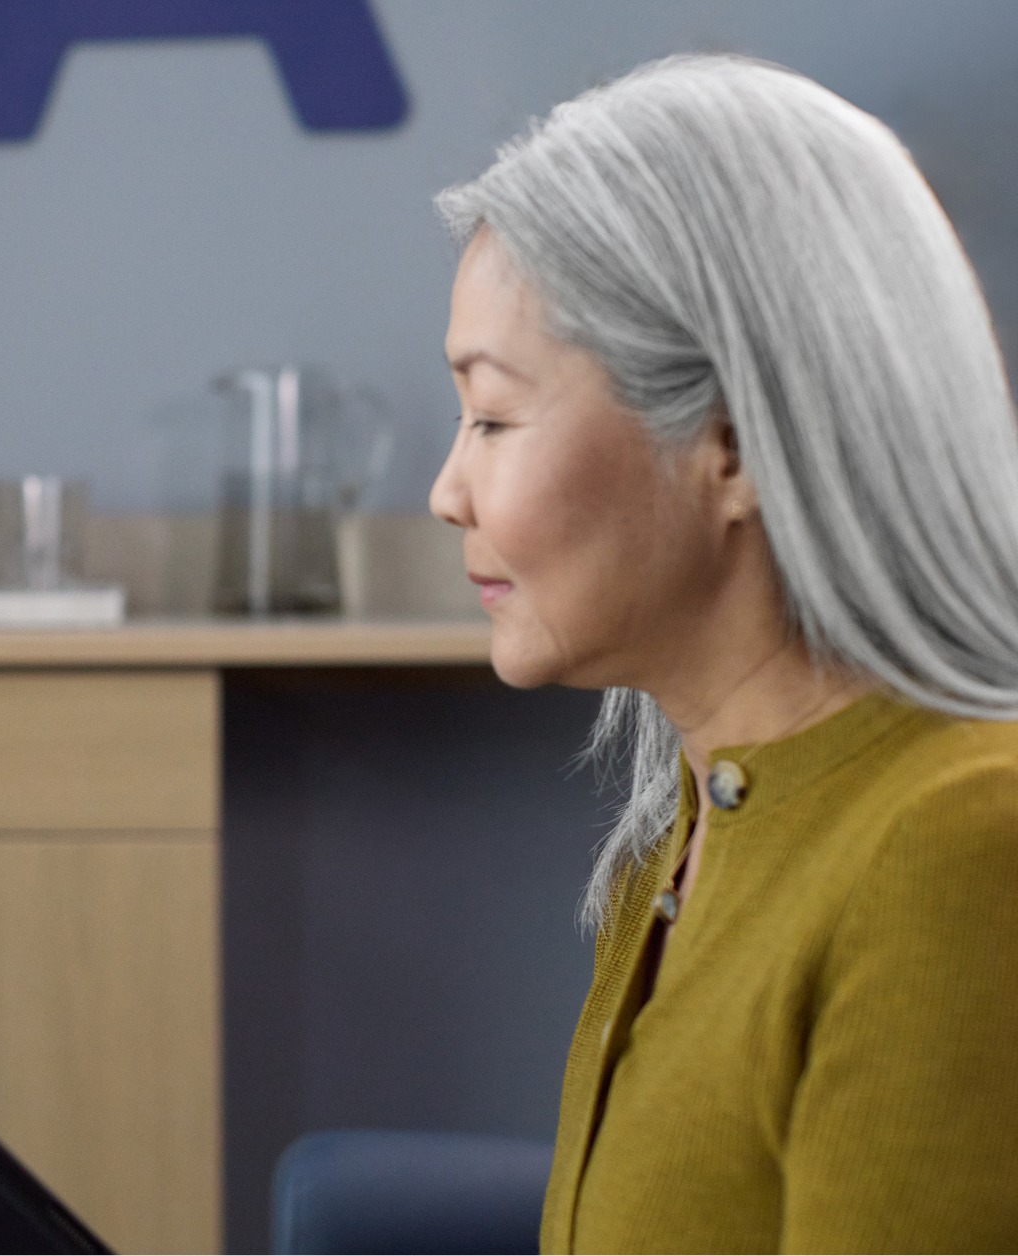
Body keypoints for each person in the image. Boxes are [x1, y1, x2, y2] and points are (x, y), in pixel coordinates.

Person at [428, 53, 1018, 1254]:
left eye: (491, 415)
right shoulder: (686, 830)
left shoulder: (960, 852)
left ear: (732, 444)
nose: (447, 491)